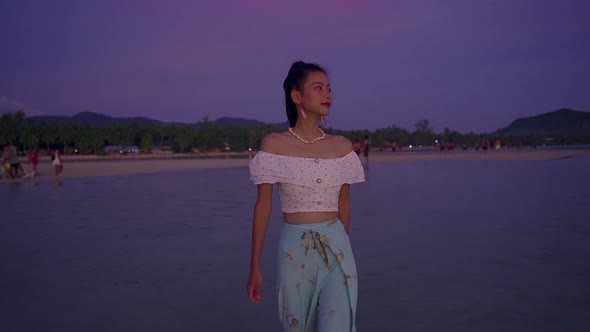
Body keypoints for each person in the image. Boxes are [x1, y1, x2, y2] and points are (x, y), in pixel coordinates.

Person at [247, 61, 365, 331]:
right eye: (319, 87)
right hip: (294, 250)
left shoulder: (342, 147)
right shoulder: (274, 145)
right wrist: (255, 265)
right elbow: (263, 207)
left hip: (337, 249)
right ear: (297, 96)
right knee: (297, 326)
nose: (328, 95)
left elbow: (343, 205)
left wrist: (341, 246)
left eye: (330, 89)